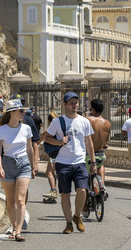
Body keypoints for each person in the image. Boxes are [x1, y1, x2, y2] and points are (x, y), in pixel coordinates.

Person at [45, 92, 96, 234]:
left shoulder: (84, 121)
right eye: (71, 103)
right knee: (65, 194)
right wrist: (59, 142)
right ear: (65, 105)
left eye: (76, 102)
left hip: (80, 161)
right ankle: (68, 223)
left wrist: (92, 161)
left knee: (82, 190)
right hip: (63, 163)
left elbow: (89, 142)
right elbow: (47, 138)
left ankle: (77, 216)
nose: (74, 105)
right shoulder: (57, 121)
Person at [0, 99, 34, 242]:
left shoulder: (26, 128)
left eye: (24, 110)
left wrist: (33, 165)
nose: (24, 113)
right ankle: (13, 226)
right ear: (12, 113)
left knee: (20, 199)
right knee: (10, 201)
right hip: (7, 163)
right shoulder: (1, 130)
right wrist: (0, 167)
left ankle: (18, 231)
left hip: (23, 163)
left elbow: (29, 149)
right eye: (21, 111)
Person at [85, 99, 111, 195]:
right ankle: (102, 186)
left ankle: (84, 208)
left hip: (88, 154)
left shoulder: (87, 120)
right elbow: (106, 140)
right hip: (100, 153)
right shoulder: (107, 123)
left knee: (85, 182)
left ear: (93, 109)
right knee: (101, 165)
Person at [40, 111, 59, 201]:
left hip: (53, 155)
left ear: (48, 121)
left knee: (49, 172)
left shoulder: (48, 131)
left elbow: (39, 141)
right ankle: (53, 190)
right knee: (53, 172)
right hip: (61, 153)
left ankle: (53, 190)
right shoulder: (60, 129)